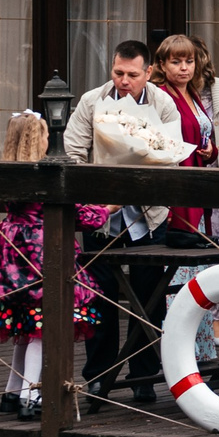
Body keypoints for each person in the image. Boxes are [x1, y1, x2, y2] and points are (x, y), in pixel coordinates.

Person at [65, 41, 183, 406]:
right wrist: (101, 192)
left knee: (149, 298)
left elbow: (171, 154)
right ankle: (99, 379)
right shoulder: (90, 101)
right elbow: (72, 152)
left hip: (149, 214)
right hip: (102, 217)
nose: (124, 81)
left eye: (133, 74)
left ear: (148, 72)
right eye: (118, 73)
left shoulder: (163, 103)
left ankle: (143, 377)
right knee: (99, 298)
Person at [0, 111, 112, 420]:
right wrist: (107, 209)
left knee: (26, 325)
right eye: (48, 134)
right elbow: (81, 215)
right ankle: (31, 394)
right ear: (39, 141)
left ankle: (12, 391)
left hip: (11, 251)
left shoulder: (9, 174)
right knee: (43, 326)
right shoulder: (45, 175)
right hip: (40, 252)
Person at [151, 32, 219, 239]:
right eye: (176, 62)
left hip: (201, 182)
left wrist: (211, 151)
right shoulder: (159, 96)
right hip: (179, 184)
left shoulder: (192, 92)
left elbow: (205, 136)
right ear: (162, 65)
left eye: (189, 61)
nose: (184, 67)